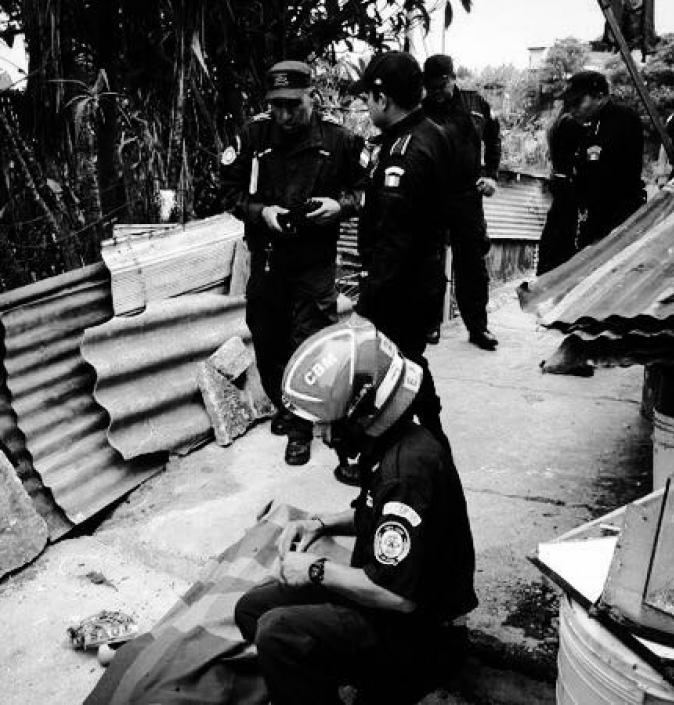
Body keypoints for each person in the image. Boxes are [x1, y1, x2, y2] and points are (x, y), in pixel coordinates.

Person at [234, 316, 477, 705]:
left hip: (421, 634)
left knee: (278, 632)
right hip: (390, 604)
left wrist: (316, 569)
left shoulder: (406, 471)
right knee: (252, 609)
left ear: (365, 409)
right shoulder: (396, 441)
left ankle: (377, 682)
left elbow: (400, 598)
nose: (327, 437)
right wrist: (317, 522)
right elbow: (373, 512)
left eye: (331, 424)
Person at [221, 60, 364, 466]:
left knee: (308, 342)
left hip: (314, 260)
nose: (284, 115)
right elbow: (227, 193)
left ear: (311, 96)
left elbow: (367, 191)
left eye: (293, 105)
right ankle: (286, 406)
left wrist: (341, 205)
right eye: (277, 105)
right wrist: (261, 212)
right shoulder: (254, 135)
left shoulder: (340, 141)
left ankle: (301, 428)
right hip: (267, 258)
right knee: (265, 337)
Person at [350, 51, 452, 450]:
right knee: (408, 367)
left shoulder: (404, 152)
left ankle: (420, 455)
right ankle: (425, 446)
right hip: (420, 283)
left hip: (401, 292)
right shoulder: (432, 132)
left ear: (383, 98)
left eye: (367, 98)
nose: (366, 106)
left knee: (398, 375)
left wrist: (367, 306)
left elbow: (395, 239)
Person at [422, 54, 501, 351]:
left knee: (472, 265)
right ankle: (430, 324)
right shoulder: (422, 108)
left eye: (441, 85)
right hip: (432, 197)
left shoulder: (475, 103)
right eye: (431, 86)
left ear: (452, 78)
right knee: (429, 261)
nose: (437, 91)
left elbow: (494, 139)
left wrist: (491, 175)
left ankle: (478, 328)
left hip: (468, 196)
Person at [563, 70, 645, 249]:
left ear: (599, 97)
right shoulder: (588, 125)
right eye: (570, 104)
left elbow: (626, 175)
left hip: (618, 216)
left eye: (578, 102)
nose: (573, 109)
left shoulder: (624, 119)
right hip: (592, 216)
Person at [536, 110, 586, 275]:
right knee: (564, 233)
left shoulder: (557, 123)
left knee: (555, 229)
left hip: (559, 180)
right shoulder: (569, 124)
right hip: (566, 183)